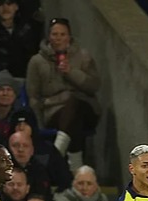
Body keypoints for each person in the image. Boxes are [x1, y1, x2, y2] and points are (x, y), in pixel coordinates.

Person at [25, 17, 100, 168]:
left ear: (69, 36)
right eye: (55, 34)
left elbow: (93, 86)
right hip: (53, 111)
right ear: (49, 36)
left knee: (75, 103)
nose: (58, 38)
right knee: (74, 122)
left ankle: (56, 153)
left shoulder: (83, 56)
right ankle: (76, 168)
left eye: (62, 34)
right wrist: (38, 124)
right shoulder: (37, 61)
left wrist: (71, 72)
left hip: (85, 108)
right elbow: (33, 95)